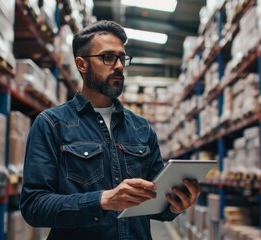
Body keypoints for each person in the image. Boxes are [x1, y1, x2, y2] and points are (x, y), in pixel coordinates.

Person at [20, 20, 201, 240]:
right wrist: (103, 201)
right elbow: (34, 206)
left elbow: (156, 203)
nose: (118, 66)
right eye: (107, 57)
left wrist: (176, 205)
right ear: (82, 64)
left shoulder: (142, 128)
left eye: (122, 58)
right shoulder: (51, 124)